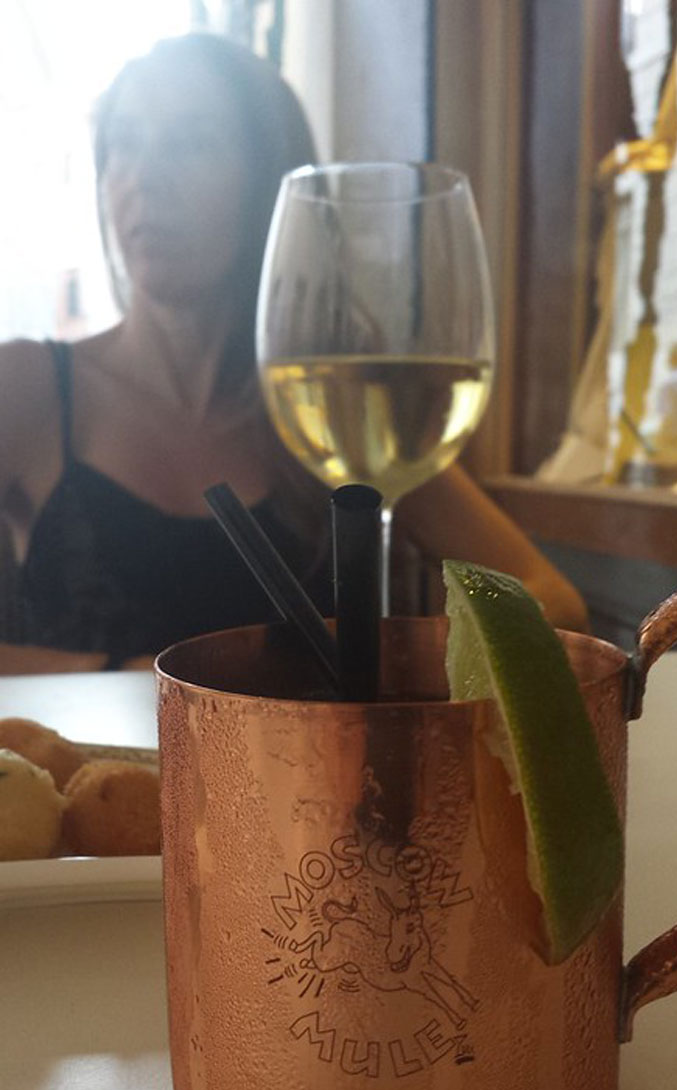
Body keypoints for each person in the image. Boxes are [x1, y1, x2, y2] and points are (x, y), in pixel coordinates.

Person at [0, 32, 587, 675]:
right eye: (124, 144)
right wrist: (138, 683)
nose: (144, 177)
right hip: (88, 775)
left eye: (193, 143)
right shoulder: (29, 386)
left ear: (267, 187)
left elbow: (552, 602)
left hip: (305, 777)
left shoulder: (335, 405)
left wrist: (406, 677)